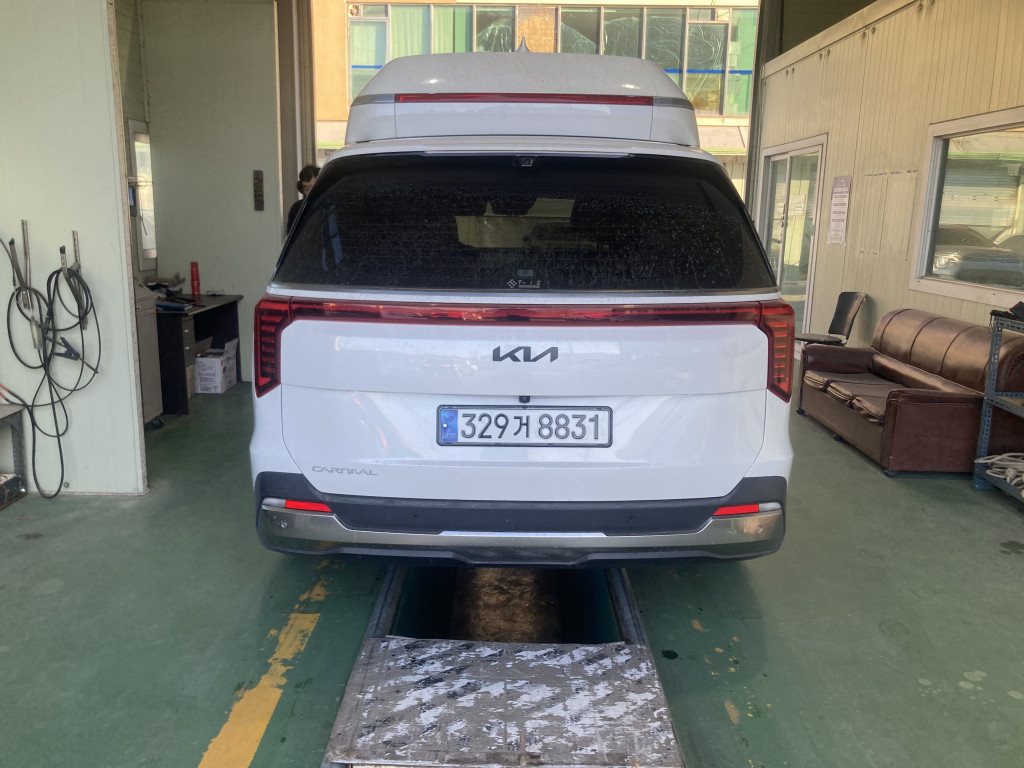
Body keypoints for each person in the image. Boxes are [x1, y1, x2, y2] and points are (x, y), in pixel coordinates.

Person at [286, 164, 320, 234]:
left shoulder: (328, 205)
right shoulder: (297, 208)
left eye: (312, 187)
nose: (310, 192)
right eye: (306, 188)